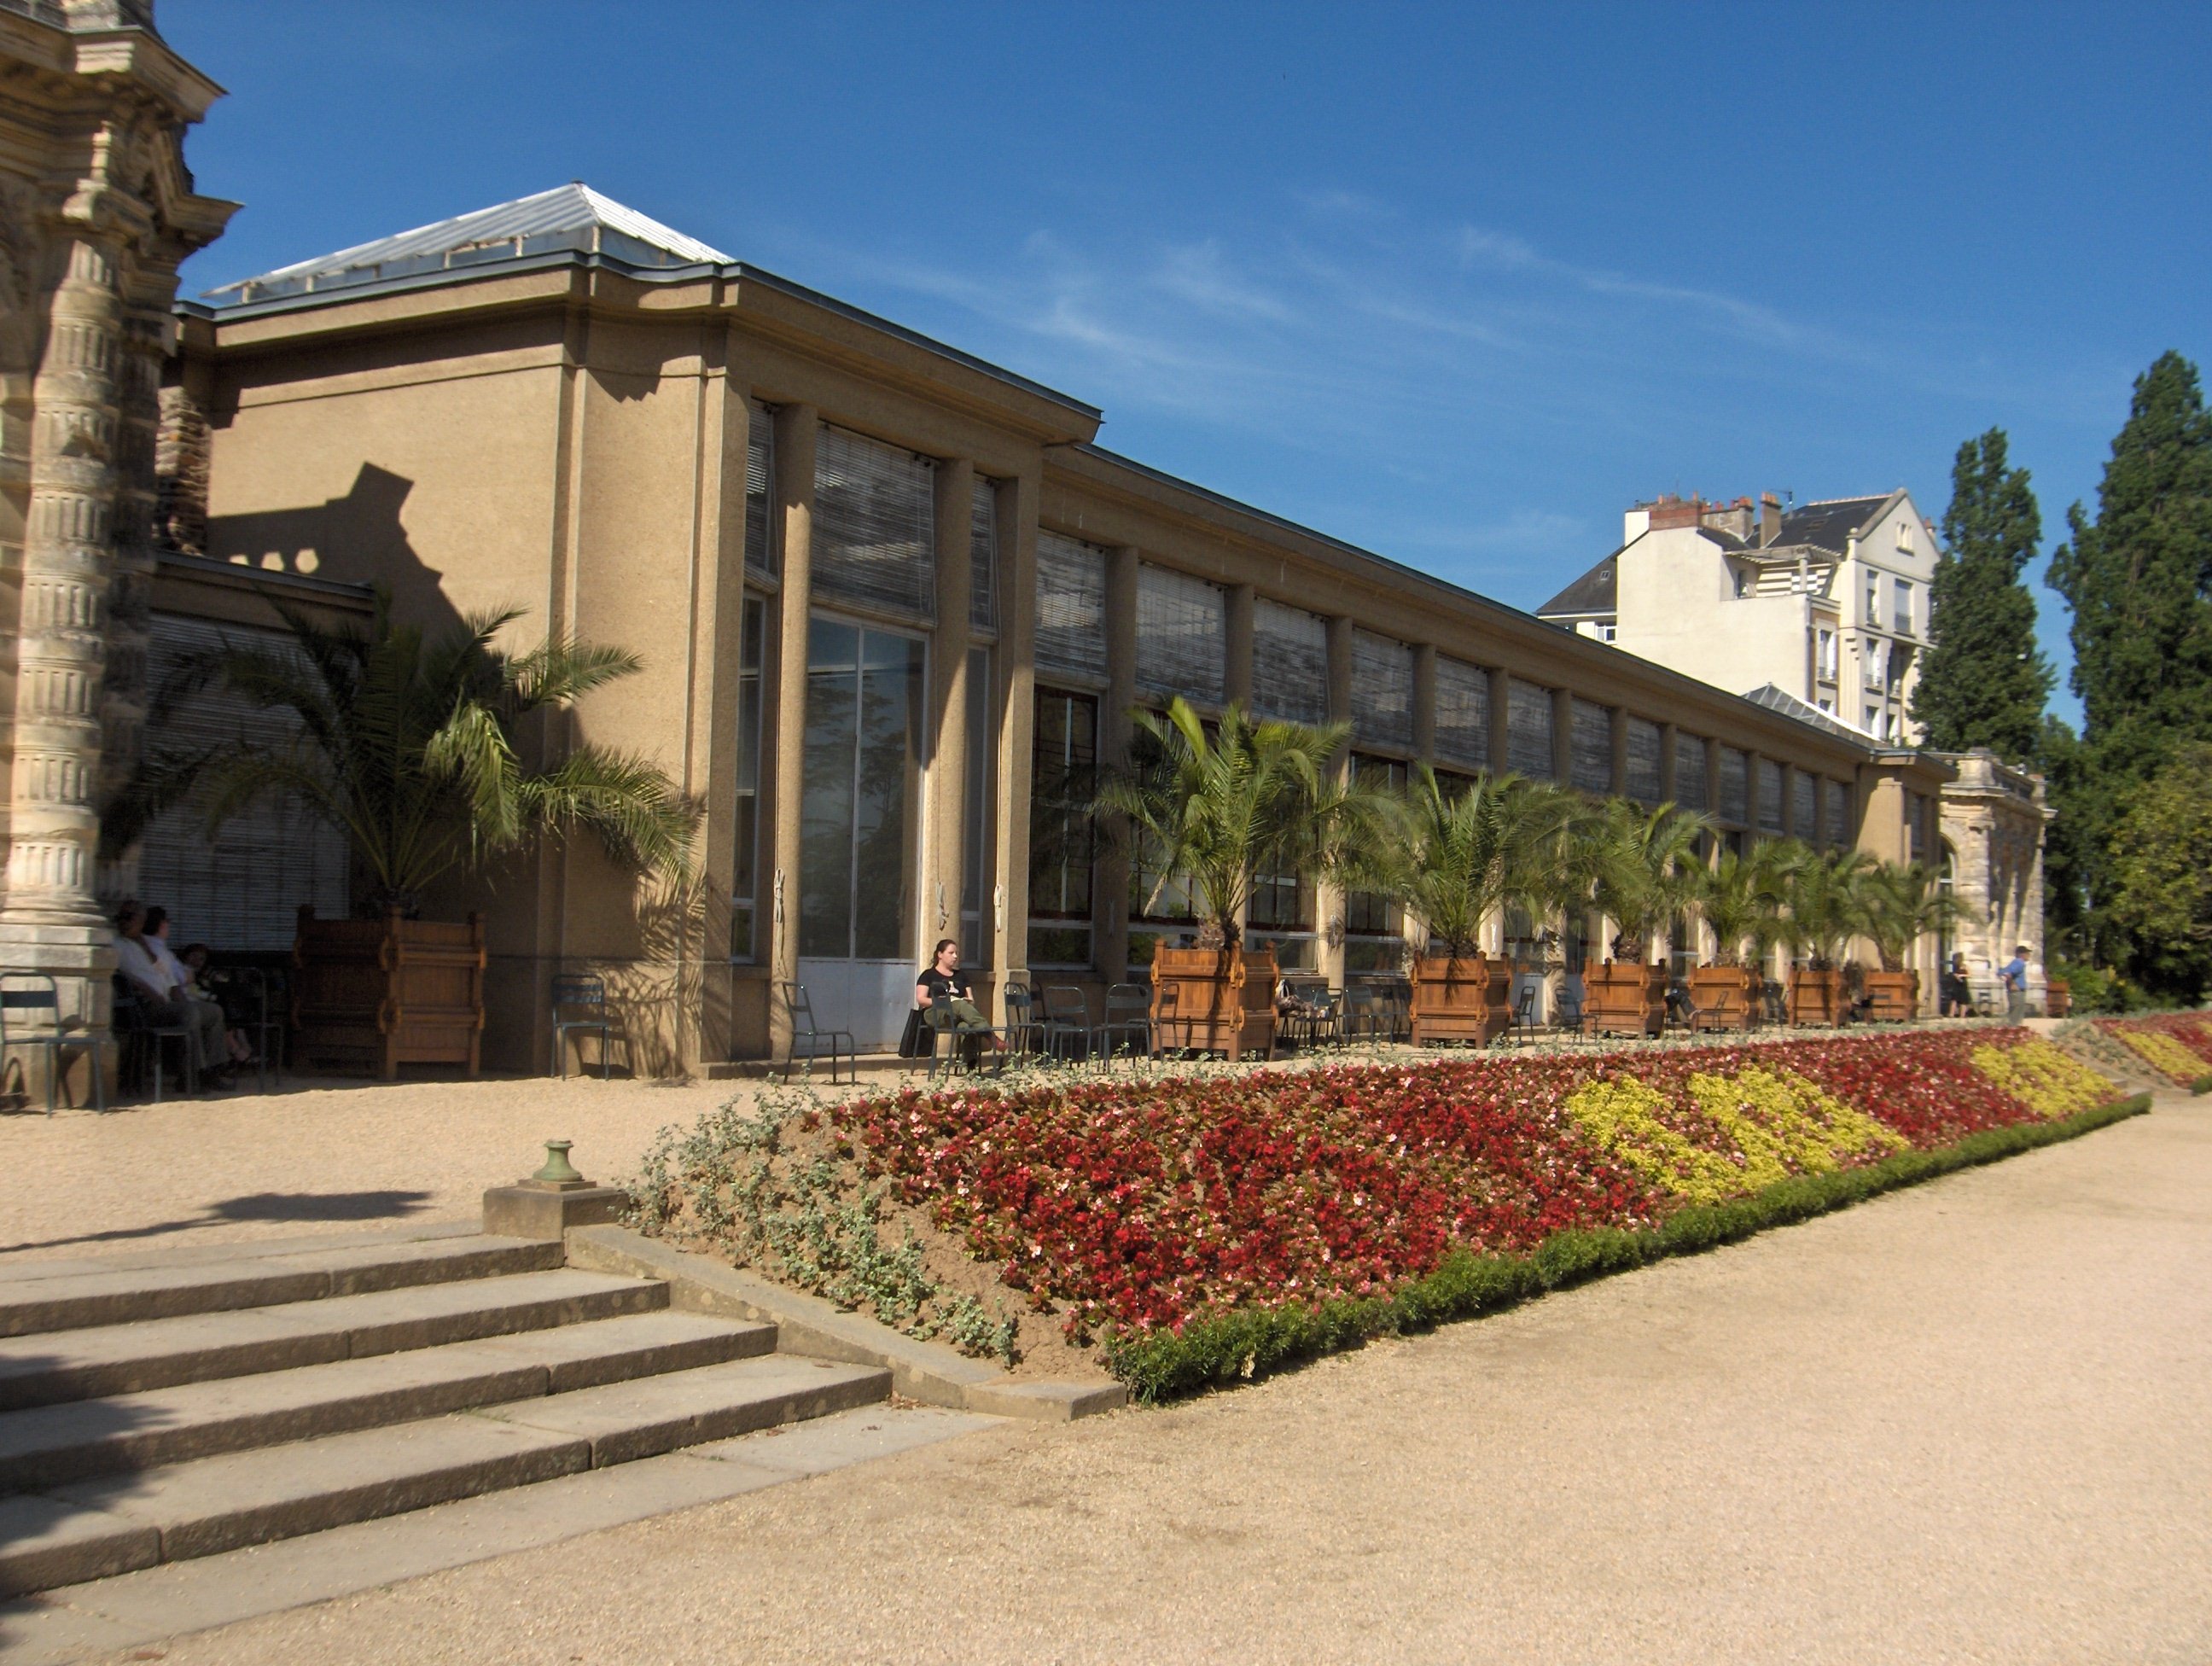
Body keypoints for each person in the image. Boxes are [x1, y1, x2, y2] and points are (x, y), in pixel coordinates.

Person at [113, 903, 232, 1087]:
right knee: (189, 1014)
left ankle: (213, 1069)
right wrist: (148, 991)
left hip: (165, 1003)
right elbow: (122, 975)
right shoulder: (115, 943)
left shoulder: (148, 947)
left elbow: (167, 977)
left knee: (213, 1011)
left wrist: (142, 944)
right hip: (143, 1005)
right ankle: (192, 1074)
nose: (125, 922)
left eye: (131, 918)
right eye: (122, 917)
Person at [904, 939, 1001, 1061]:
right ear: (940, 955)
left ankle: (970, 1067)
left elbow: (971, 1000)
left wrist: (965, 1001)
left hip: (957, 1015)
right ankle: (990, 1036)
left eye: (956, 953)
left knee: (968, 1027)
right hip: (935, 1013)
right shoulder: (929, 975)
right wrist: (944, 1002)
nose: (955, 956)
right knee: (959, 1004)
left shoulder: (961, 975)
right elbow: (921, 1000)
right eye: (951, 953)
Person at [179, 943, 258, 1067]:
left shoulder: (203, 975)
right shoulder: (182, 970)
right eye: (193, 956)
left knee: (229, 1009)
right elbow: (190, 991)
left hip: (204, 1004)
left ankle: (241, 1047)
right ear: (186, 956)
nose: (197, 961)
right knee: (221, 1014)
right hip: (191, 1006)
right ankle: (235, 1049)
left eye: (201, 959)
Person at [2000, 943, 2031, 1024]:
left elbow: (2001, 971)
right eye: (2027, 953)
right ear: (2021, 954)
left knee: (2015, 1014)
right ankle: (2014, 1032)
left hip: (2016, 992)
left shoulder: (2015, 962)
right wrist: (2012, 983)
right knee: (2016, 1016)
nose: (2029, 955)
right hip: (2017, 992)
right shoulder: (2019, 963)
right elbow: (2007, 973)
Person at [1940, 952, 1972, 1018]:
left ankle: (1962, 1015)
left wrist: (1962, 975)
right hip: (1956, 984)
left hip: (1963, 984)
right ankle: (1952, 1014)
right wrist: (1956, 976)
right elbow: (1953, 974)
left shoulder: (1965, 966)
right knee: (1954, 999)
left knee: (1963, 1000)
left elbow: (1970, 975)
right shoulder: (1955, 966)